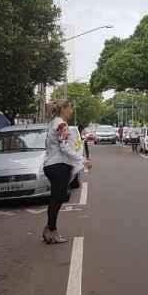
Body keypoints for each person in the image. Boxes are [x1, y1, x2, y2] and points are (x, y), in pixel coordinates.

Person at [43, 100, 91, 244]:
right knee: (57, 199)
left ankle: (50, 229)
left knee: (56, 199)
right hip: (59, 165)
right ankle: (51, 231)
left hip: (52, 164)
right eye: (70, 107)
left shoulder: (53, 123)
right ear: (63, 109)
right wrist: (83, 160)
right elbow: (64, 147)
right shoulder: (61, 125)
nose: (71, 110)